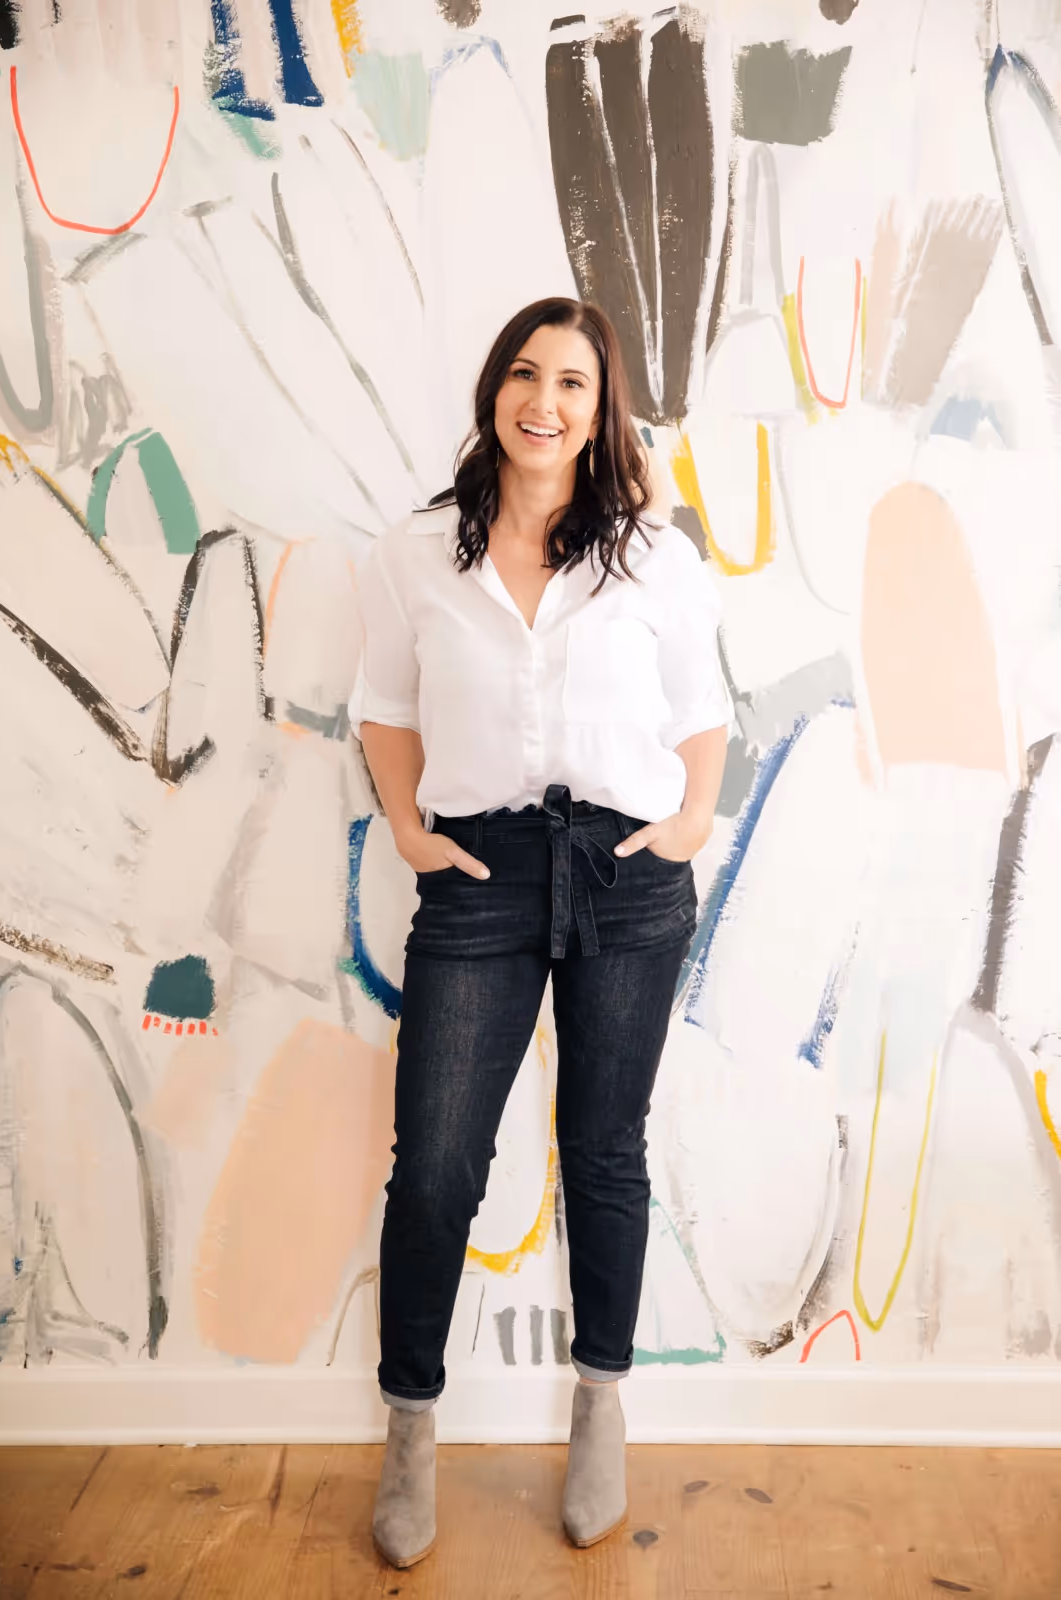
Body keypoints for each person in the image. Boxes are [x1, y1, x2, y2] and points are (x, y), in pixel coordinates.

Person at [351, 296, 729, 1569]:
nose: (544, 400)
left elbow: (702, 710)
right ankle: (410, 1433)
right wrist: (406, 829)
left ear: (598, 406)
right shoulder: (413, 555)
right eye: (525, 372)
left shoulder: (654, 556)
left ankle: (599, 1408)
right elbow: (382, 704)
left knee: (603, 1153)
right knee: (439, 1164)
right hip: (481, 871)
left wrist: (688, 824)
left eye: (572, 381)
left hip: (625, 873)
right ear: (494, 388)